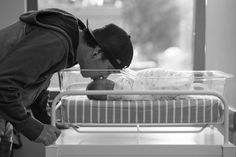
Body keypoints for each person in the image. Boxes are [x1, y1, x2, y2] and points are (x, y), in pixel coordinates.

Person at [0, 8, 133, 156]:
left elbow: (36, 76)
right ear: (97, 52)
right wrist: (31, 127)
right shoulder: (57, 42)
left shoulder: (70, 41)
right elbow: (4, 83)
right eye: (108, 69)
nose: (104, 77)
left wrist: (46, 118)